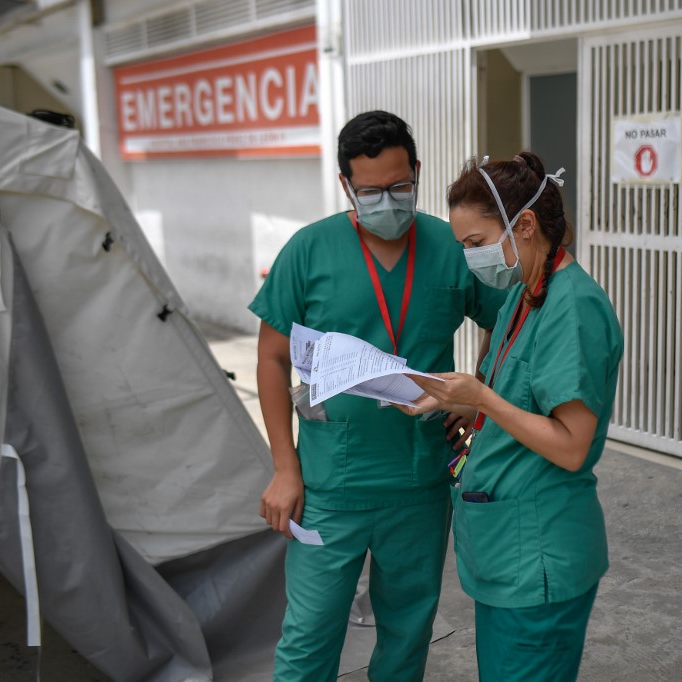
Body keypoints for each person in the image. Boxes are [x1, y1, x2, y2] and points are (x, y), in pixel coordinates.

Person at [249, 110, 505, 681]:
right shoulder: (309, 250)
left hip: (419, 483)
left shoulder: (449, 244)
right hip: (331, 486)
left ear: (417, 171)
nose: (386, 200)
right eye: (370, 191)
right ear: (346, 186)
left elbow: (504, 319)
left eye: (399, 186)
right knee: (311, 633)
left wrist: (478, 393)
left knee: (408, 632)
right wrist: (284, 468)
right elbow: (270, 357)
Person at [404, 151, 624, 681]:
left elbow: (571, 445)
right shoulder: (526, 296)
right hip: (509, 551)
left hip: (540, 555)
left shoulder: (573, 309)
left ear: (523, 225)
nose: (470, 259)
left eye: (476, 244)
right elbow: (515, 392)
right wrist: (454, 397)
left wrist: (481, 400)